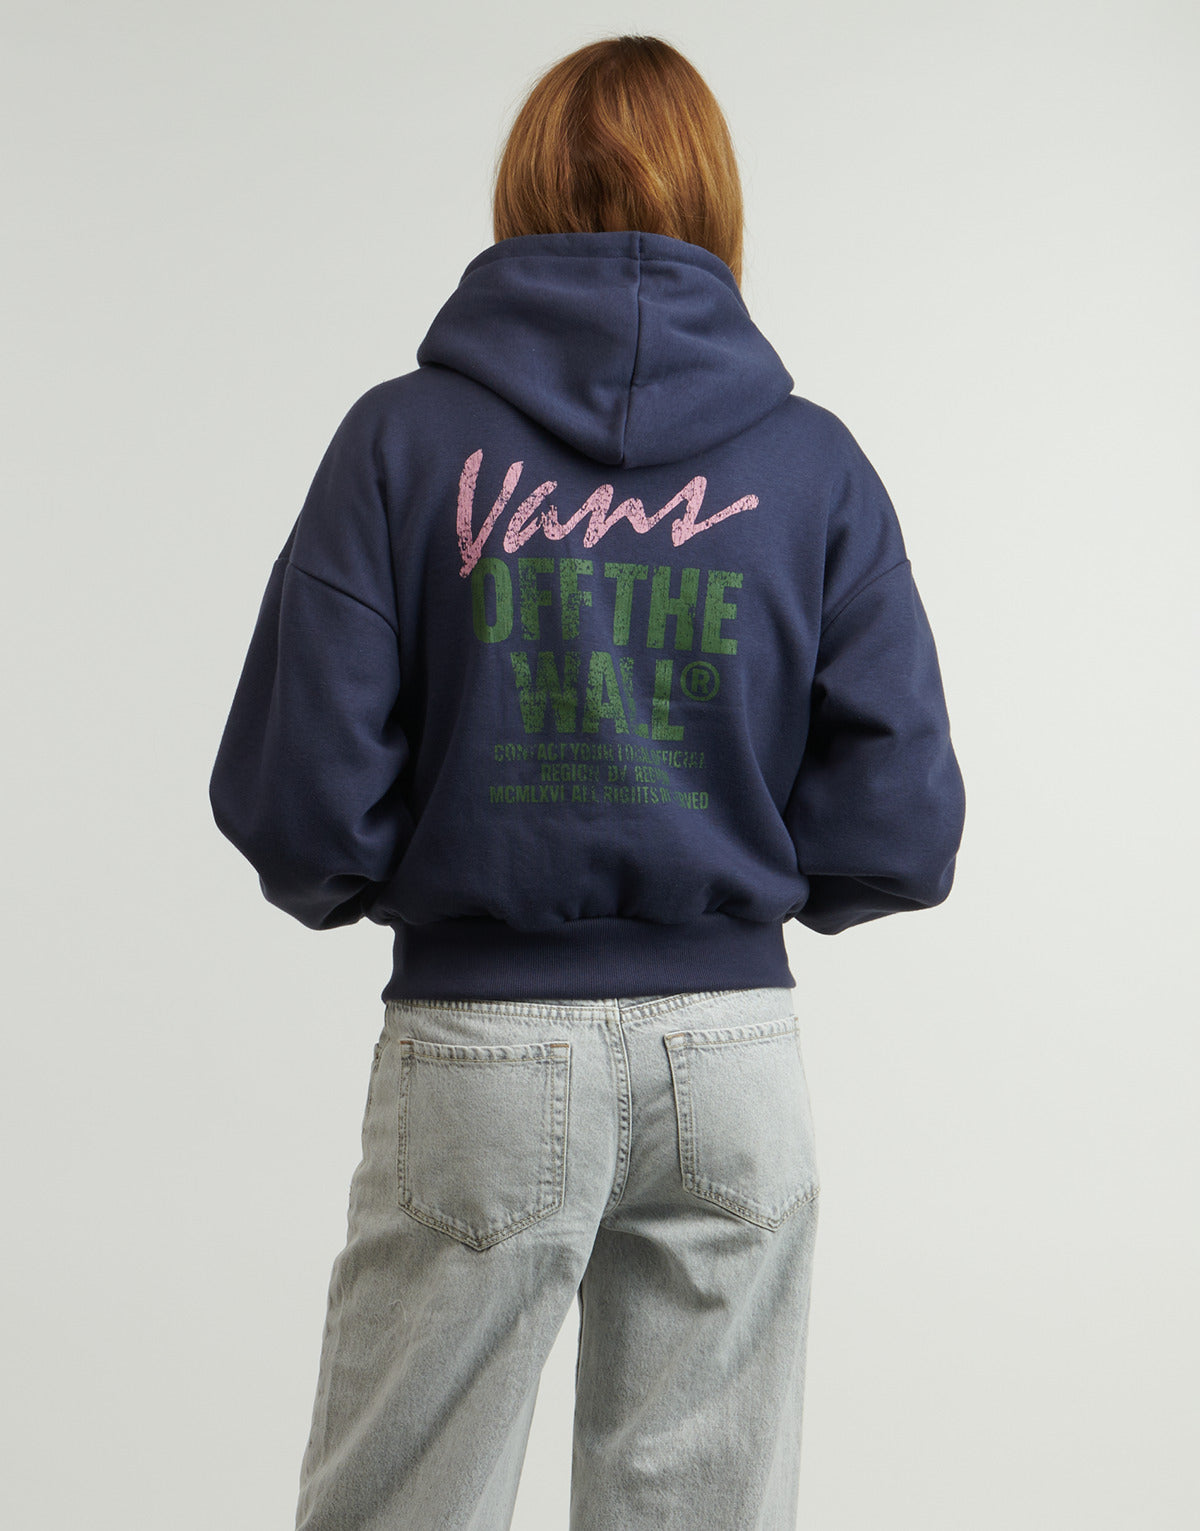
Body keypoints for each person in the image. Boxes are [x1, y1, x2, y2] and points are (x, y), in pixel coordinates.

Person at [208, 33, 965, 1531]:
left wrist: (412, 867)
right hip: (733, 1061)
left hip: (481, 1054)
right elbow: (903, 822)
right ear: (717, 198)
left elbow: (302, 802)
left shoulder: (402, 441)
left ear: (523, 191)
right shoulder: (812, 466)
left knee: (400, 1509)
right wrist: (735, 864)